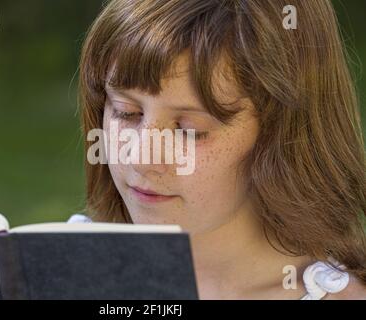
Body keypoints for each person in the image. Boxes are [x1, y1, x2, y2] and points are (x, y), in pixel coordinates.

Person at [73, 0, 366, 299]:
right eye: (127, 112)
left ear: (279, 135)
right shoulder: (65, 274)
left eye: (190, 130)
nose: (139, 158)